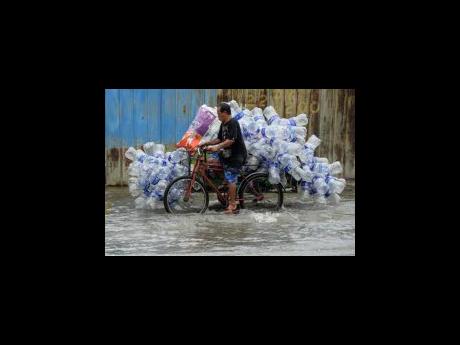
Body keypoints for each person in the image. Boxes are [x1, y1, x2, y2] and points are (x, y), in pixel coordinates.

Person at [200, 103, 247, 214]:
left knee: (231, 178)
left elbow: (231, 140)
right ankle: (224, 187)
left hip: (237, 156)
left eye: (219, 113)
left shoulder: (233, 123)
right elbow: (220, 139)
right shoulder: (223, 124)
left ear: (225, 112)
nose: (218, 116)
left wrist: (216, 147)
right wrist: (206, 143)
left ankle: (233, 204)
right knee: (210, 163)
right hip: (227, 155)